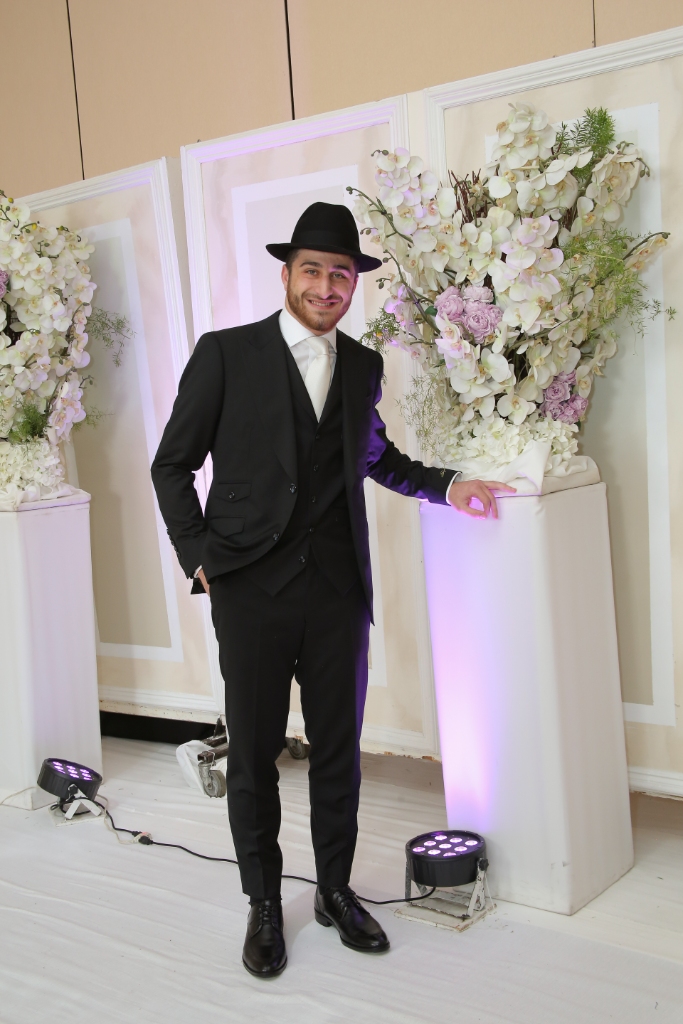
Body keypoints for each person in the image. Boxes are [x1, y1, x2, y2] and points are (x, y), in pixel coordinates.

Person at [151, 202, 514, 978]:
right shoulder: (225, 354)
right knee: (252, 754)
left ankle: (334, 891)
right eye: (312, 270)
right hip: (248, 587)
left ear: (354, 284)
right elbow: (171, 464)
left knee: (338, 754)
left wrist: (448, 485)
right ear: (286, 274)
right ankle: (262, 903)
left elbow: (374, 457)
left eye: (340, 274)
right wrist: (199, 557)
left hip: (337, 590)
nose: (326, 286)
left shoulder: (361, 366)